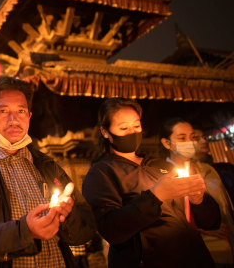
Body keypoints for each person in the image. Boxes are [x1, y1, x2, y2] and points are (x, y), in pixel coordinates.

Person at [0, 76, 96, 267]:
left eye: (21, 111)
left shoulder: (49, 167)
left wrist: (68, 216)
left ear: (29, 116)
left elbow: (86, 228)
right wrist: (25, 231)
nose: (14, 119)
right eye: (3, 111)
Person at [82, 98, 221, 267]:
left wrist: (198, 200)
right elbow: (111, 230)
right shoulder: (101, 173)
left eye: (136, 126)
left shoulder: (159, 165)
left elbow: (211, 222)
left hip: (193, 256)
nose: (132, 132)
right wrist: (156, 196)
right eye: (124, 128)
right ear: (105, 132)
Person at [160, 119, 234, 267]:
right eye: (182, 138)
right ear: (167, 143)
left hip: (226, 243)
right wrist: (203, 229)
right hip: (191, 251)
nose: (190, 142)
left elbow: (224, 202)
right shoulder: (161, 176)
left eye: (192, 137)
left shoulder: (208, 170)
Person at [193, 128, 234, 203]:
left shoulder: (226, 168)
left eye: (204, 137)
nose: (204, 141)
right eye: (196, 138)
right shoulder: (191, 175)